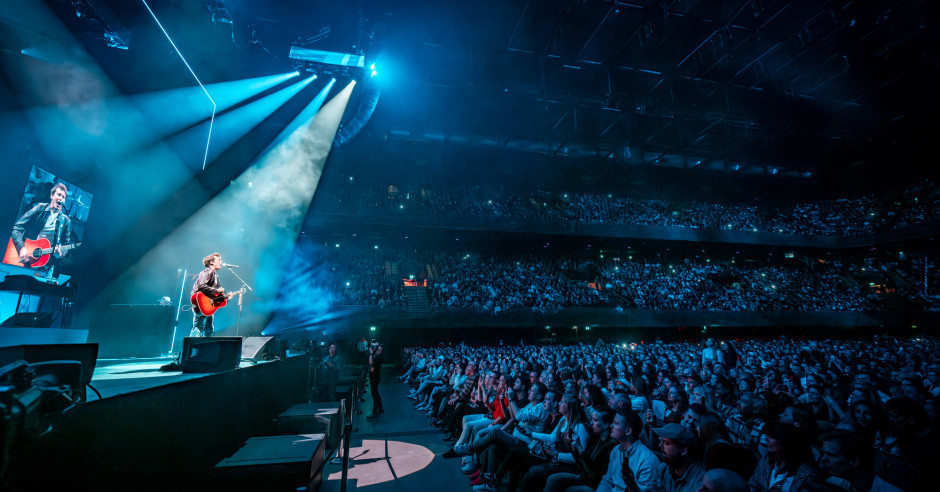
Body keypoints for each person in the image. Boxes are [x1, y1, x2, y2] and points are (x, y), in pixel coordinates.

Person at [10, 183, 73, 267]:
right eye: (59, 195)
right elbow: (17, 228)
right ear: (52, 196)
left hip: (47, 263)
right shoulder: (39, 208)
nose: (60, 198)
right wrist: (21, 248)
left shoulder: (65, 221)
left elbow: (66, 246)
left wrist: (60, 254)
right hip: (27, 255)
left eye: (63, 197)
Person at [190, 252, 230, 337]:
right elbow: (201, 285)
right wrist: (217, 291)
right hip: (201, 302)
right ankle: (188, 349)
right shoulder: (206, 272)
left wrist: (225, 297)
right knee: (198, 328)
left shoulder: (215, 275)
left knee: (209, 330)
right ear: (212, 262)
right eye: (219, 260)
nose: (221, 262)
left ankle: (206, 349)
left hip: (208, 303)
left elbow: (217, 293)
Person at [367, 343, 385, 418]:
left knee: (374, 395)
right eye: (378, 349)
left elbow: (370, 363)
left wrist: (371, 354)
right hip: (373, 376)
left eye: (380, 349)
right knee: (376, 393)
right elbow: (371, 365)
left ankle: (374, 412)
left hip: (375, 377)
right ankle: (381, 408)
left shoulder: (379, 357)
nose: (378, 350)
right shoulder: (376, 355)